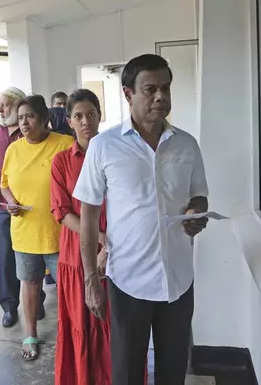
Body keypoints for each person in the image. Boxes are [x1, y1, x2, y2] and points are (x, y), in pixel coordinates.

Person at [73, 54, 210, 385]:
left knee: (173, 371)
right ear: (128, 94)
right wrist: (91, 280)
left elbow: (200, 196)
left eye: (165, 88)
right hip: (128, 281)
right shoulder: (104, 147)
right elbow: (88, 214)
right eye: (150, 89)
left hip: (178, 280)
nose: (160, 96)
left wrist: (196, 213)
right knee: (127, 373)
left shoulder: (186, 144)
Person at [0, 95, 74, 361]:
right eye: (20, 118)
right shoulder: (13, 150)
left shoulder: (64, 145)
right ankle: (30, 333)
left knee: (68, 288)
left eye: (29, 116)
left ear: (45, 120)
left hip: (60, 233)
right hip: (25, 231)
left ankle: (71, 334)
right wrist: (10, 202)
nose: (24, 122)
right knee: (30, 283)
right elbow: (4, 183)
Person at [51, 89, 111, 385]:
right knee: (79, 324)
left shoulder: (115, 155)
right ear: (69, 122)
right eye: (78, 116)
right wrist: (102, 239)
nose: (85, 121)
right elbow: (61, 212)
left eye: (91, 114)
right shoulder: (61, 162)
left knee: (113, 327)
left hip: (116, 254)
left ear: (100, 116)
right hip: (76, 257)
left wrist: (110, 247)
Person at [0, 86, 30, 328]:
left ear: (17, 105)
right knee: (6, 255)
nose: (0, 109)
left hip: (28, 206)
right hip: (4, 205)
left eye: (5, 104)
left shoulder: (29, 132)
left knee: (31, 255)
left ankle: (36, 298)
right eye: (0, 105)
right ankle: (9, 306)